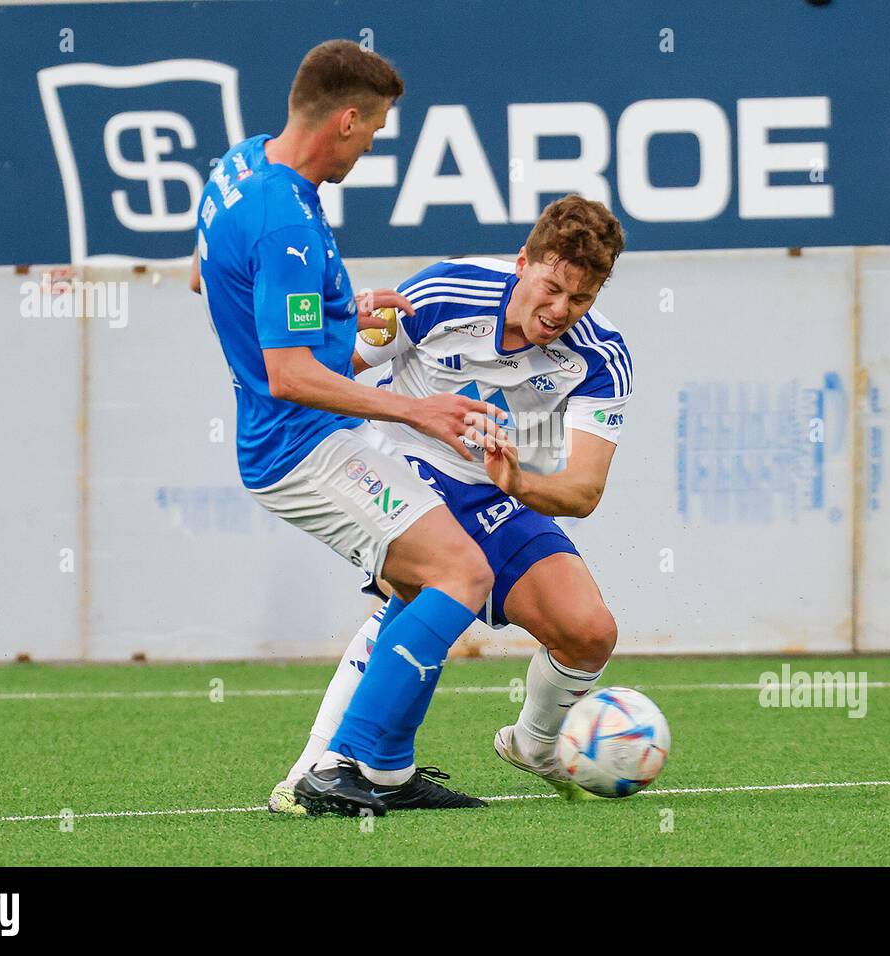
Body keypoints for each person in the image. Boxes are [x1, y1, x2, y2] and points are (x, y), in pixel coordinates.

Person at [196, 39, 508, 817]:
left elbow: (206, 272)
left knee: (421, 579)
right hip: (301, 446)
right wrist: (419, 408)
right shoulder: (286, 223)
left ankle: (373, 771)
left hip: (296, 434)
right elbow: (289, 373)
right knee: (462, 576)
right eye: (372, 131)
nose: (372, 145)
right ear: (344, 119)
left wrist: (340, 311)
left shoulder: (240, 166)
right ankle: (352, 767)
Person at [269, 196, 631, 807]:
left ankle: (537, 744)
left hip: (495, 490)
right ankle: (315, 767)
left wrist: (517, 481)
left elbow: (583, 490)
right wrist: (340, 322)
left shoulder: (599, 357)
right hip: (399, 460)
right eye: (552, 287)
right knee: (418, 591)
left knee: (589, 632)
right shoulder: (444, 289)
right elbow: (332, 370)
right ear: (523, 262)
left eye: (581, 299)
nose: (560, 311)